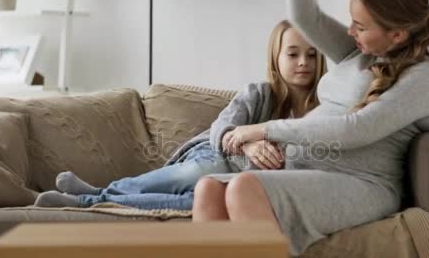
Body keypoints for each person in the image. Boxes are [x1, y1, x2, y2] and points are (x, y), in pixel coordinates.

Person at [191, 0, 429, 256]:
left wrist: (266, 130)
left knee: (244, 188)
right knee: (208, 188)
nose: (349, 32)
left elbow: (355, 130)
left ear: (397, 34)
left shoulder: (424, 77)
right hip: (309, 170)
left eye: (360, 26)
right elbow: (304, 16)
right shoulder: (356, 55)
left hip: (362, 184)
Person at [33, 20, 327, 210]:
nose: (304, 62)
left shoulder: (327, 107)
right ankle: (98, 194)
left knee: (196, 202)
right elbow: (221, 128)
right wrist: (247, 143)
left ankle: (88, 200)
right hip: (219, 159)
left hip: (243, 186)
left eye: (312, 54)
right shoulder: (260, 93)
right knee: (195, 174)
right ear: (276, 58)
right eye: (293, 54)